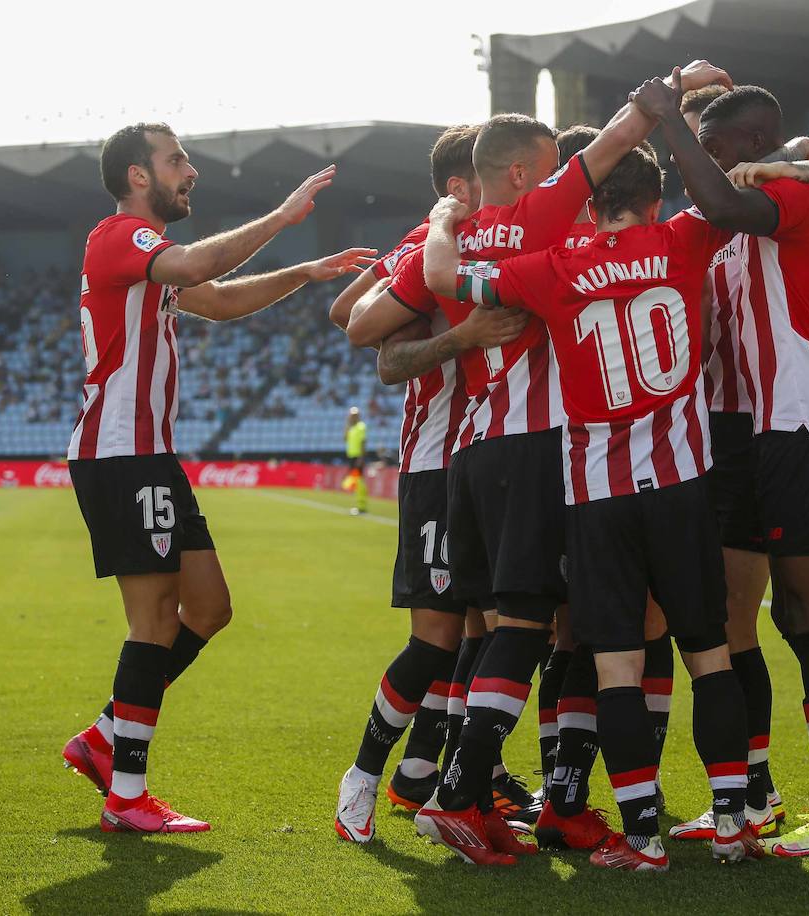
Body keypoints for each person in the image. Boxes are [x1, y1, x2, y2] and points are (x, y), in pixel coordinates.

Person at [352, 61, 735, 867]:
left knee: (505, 626)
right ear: (526, 172)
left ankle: (504, 793)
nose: (569, 174)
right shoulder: (551, 223)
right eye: (552, 165)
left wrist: (442, 224)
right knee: (564, 630)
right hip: (553, 452)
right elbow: (630, 141)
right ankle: (476, 792)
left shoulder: (455, 241)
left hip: (471, 450)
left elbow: (372, 321)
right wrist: (676, 87)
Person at [422, 143, 761, 871]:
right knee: (709, 654)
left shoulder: (553, 267)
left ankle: (642, 840)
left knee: (614, 668)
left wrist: (443, 218)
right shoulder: (683, 237)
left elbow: (444, 275)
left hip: (598, 494)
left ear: (590, 201)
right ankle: (733, 821)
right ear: (655, 201)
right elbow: (731, 199)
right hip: (682, 483)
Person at [62, 122, 373, 832]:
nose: (189, 170)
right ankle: (126, 795)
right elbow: (199, 268)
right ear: (138, 177)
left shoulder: (149, 260)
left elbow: (222, 300)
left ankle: (108, 737)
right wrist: (286, 216)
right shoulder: (121, 239)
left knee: (208, 610)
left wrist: (302, 271)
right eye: (176, 160)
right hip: (120, 454)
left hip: (149, 457)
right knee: (153, 622)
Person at [636, 74, 809, 857]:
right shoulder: (741, 229)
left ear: (749, 147)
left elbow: (740, 200)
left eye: (714, 149)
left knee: (804, 613)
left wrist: (664, 122)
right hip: (756, 432)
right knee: (751, 618)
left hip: (806, 424)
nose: (704, 165)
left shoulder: (792, 199)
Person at [331, 125, 538, 845]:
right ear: (462, 186)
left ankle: (441, 777)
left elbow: (343, 312)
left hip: (492, 462)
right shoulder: (434, 245)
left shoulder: (497, 241)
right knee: (437, 641)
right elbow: (366, 338)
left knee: (491, 633)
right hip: (435, 465)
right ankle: (362, 780)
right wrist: (457, 335)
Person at [342, 407, 369, 515]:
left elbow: (363, 442)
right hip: (352, 457)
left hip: (357, 457)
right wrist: (347, 425)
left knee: (359, 481)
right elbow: (345, 438)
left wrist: (361, 458)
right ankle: (359, 505)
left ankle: (362, 506)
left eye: (353, 415)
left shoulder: (360, 427)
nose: (351, 417)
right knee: (356, 481)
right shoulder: (351, 428)